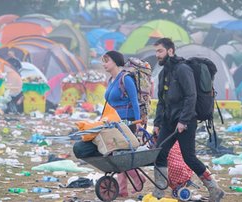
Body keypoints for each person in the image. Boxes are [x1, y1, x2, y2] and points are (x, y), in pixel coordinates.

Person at [152, 38, 224, 201]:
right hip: (169, 121)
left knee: (189, 157)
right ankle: (158, 194)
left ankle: (214, 189)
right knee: (159, 154)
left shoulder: (183, 69)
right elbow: (161, 101)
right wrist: (157, 123)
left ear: (170, 51)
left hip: (186, 120)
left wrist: (183, 121)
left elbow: (191, 96)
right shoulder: (164, 73)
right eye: (156, 51)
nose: (157, 55)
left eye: (160, 51)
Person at [73, 50, 145, 198]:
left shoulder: (125, 79)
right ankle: (122, 189)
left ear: (116, 61)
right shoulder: (111, 81)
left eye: (107, 61)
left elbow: (134, 102)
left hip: (127, 122)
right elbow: (109, 104)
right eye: (103, 61)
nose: (104, 64)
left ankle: (138, 178)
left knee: (119, 153)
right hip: (112, 123)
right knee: (116, 154)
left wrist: (138, 123)